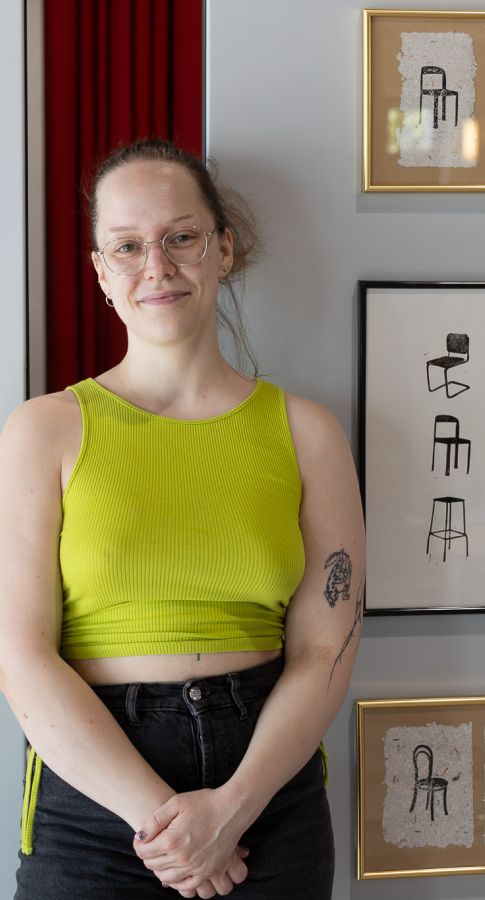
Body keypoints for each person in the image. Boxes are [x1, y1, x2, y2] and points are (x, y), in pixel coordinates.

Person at [0, 139, 365, 898]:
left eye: (181, 237)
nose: (156, 267)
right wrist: (171, 827)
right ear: (101, 272)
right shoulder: (43, 430)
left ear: (222, 249)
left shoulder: (309, 433)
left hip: (268, 791)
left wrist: (232, 809)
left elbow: (325, 646)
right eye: (127, 247)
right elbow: (21, 658)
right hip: (95, 800)